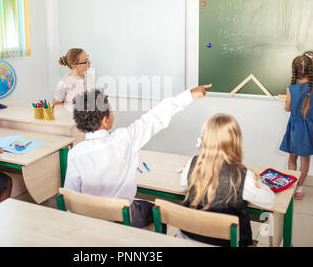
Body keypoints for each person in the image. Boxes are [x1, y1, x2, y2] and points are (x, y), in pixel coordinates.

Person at [64, 84, 212, 228]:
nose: (112, 112)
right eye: (111, 110)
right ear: (105, 120)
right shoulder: (124, 139)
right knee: (156, 209)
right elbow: (154, 118)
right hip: (124, 217)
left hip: (90, 222)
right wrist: (189, 94)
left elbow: (70, 198)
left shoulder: (75, 154)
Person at [179, 113, 275, 247]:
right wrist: (257, 180)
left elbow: (182, 187)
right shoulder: (244, 176)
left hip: (188, 239)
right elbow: (270, 202)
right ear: (235, 142)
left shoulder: (192, 164)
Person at [279, 52, 313, 200]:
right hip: (311, 126)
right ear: (309, 70)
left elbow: (287, 108)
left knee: (292, 156)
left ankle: (292, 188)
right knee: (305, 160)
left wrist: (289, 104)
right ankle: (299, 189)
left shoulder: (290, 89)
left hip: (296, 127)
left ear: (294, 70)